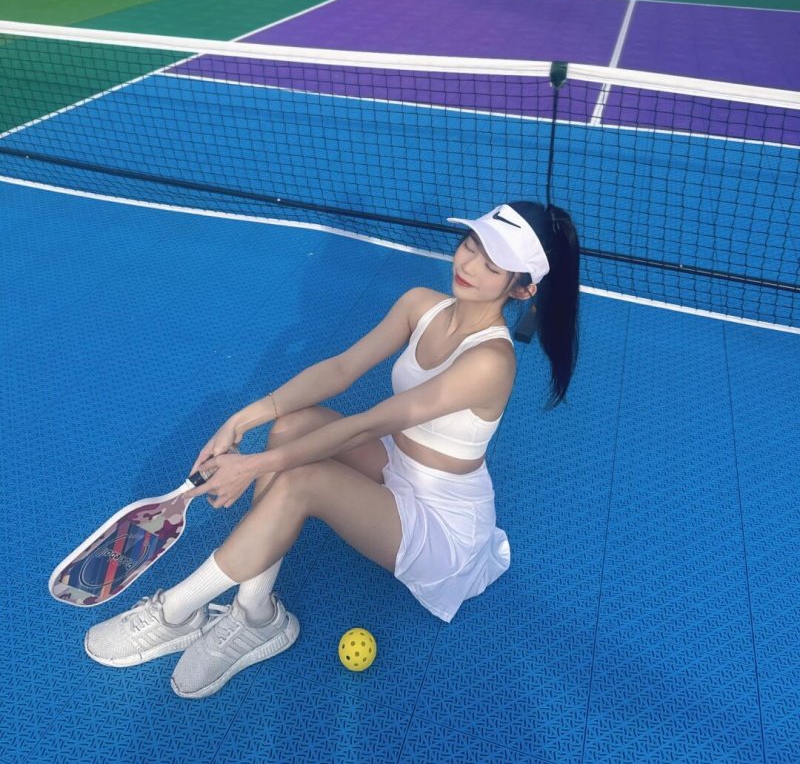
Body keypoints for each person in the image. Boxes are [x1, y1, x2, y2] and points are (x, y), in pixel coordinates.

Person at [84, 201, 580, 698]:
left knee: (304, 480)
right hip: (397, 465)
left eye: (491, 265)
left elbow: (366, 426)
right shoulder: (420, 304)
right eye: (470, 245)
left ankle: (174, 611)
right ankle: (256, 614)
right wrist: (243, 418)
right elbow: (342, 369)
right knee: (291, 426)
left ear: (522, 289)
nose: (468, 264)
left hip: (442, 522)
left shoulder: (492, 361)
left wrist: (252, 466)